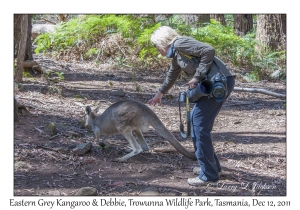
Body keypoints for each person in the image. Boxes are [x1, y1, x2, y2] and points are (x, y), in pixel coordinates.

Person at [147, 26, 235, 186]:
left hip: (217, 84)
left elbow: (209, 50)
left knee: (199, 126)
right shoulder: (176, 55)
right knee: (198, 125)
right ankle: (212, 168)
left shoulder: (180, 43)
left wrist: (197, 76)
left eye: (156, 45)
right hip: (211, 85)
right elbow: (172, 75)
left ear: (162, 42)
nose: (157, 49)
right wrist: (159, 94)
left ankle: (209, 176)